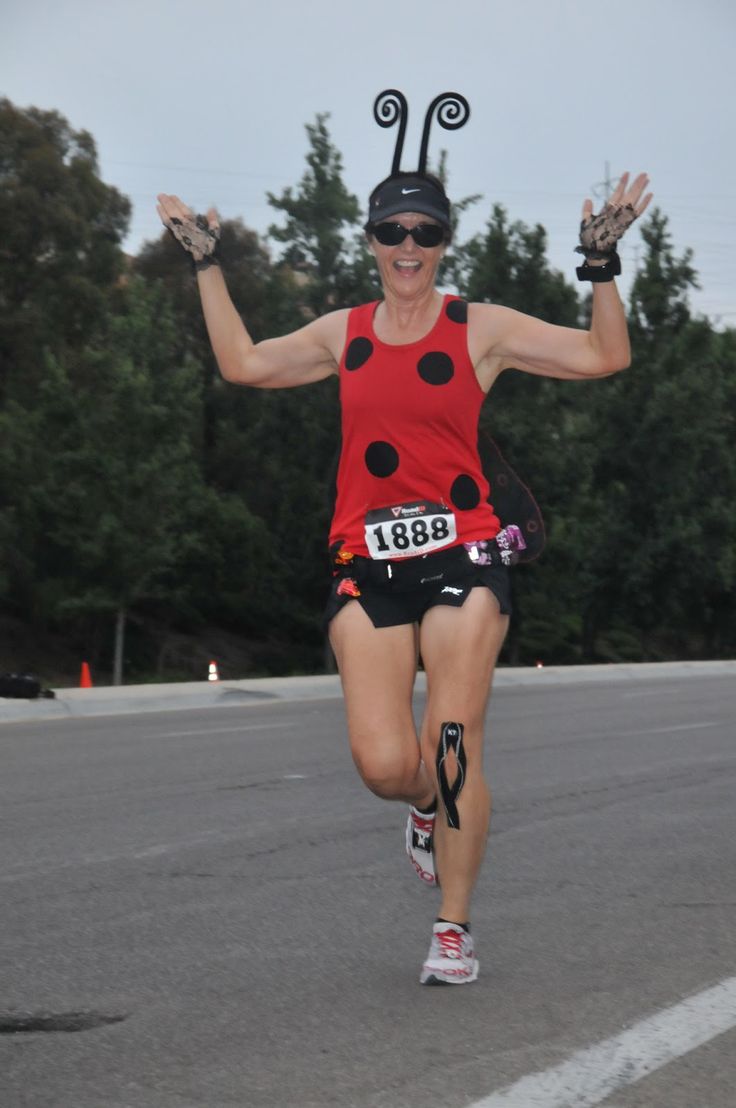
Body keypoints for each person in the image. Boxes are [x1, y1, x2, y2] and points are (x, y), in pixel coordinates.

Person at [157, 91, 651, 986]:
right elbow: (242, 364)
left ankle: (452, 929)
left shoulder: (481, 329)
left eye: (426, 231)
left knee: (453, 738)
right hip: (369, 565)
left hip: (464, 555)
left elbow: (603, 356)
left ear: (443, 242)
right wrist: (208, 265)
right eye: (394, 232)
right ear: (373, 242)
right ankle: (423, 806)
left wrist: (602, 264)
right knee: (387, 761)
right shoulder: (342, 334)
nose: (410, 247)